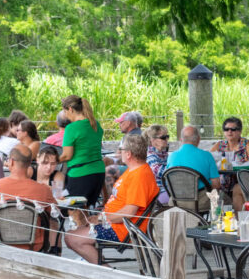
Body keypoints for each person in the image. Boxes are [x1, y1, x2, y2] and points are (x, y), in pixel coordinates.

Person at [66, 134, 158, 262]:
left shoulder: (140, 176)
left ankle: (104, 270)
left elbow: (129, 212)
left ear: (128, 154)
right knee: (75, 231)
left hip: (122, 229)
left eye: (121, 149)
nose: (119, 152)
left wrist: (101, 218)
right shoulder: (134, 170)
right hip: (114, 224)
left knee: (71, 238)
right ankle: (95, 262)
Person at [0, 148, 56, 251]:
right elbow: (55, 213)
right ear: (29, 163)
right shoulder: (43, 190)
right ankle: (55, 253)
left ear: (11, 161)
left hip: (0, 244)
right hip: (33, 246)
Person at [59, 95, 106, 208]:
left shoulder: (72, 128)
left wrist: (49, 160)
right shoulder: (95, 124)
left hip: (80, 174)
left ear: (70, 109)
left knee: (74, 211)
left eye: (65, 112)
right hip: (98, 173)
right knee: (86, 210)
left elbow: (67, 156)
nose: (66, 115)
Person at [166, 126, 221, 210]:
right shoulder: (207, 156)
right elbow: (216, 184)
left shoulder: (171, 156)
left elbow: (168, 182)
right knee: (226, 199)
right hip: (200, 202)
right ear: (198, 139)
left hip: (176, 202)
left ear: (181, 139)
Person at [213, 117, 249, 209]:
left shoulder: (247, 144)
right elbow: (209, 161)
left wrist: (239, 166)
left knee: (237, 189)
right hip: (223, 182)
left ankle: (240, 217)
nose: (229, 132)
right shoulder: (219, 145)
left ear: (240, 131)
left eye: (233, 129)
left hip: (244, 180)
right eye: (226, 129)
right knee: (212, 189)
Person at [145, 124, 171, 203]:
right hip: (158, 193)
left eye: (167, 136)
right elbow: (159, 171)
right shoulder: (150, 155)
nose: (166, 139)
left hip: (166, 189)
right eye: (163, 137)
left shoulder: (163, 153)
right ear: (152, 140)